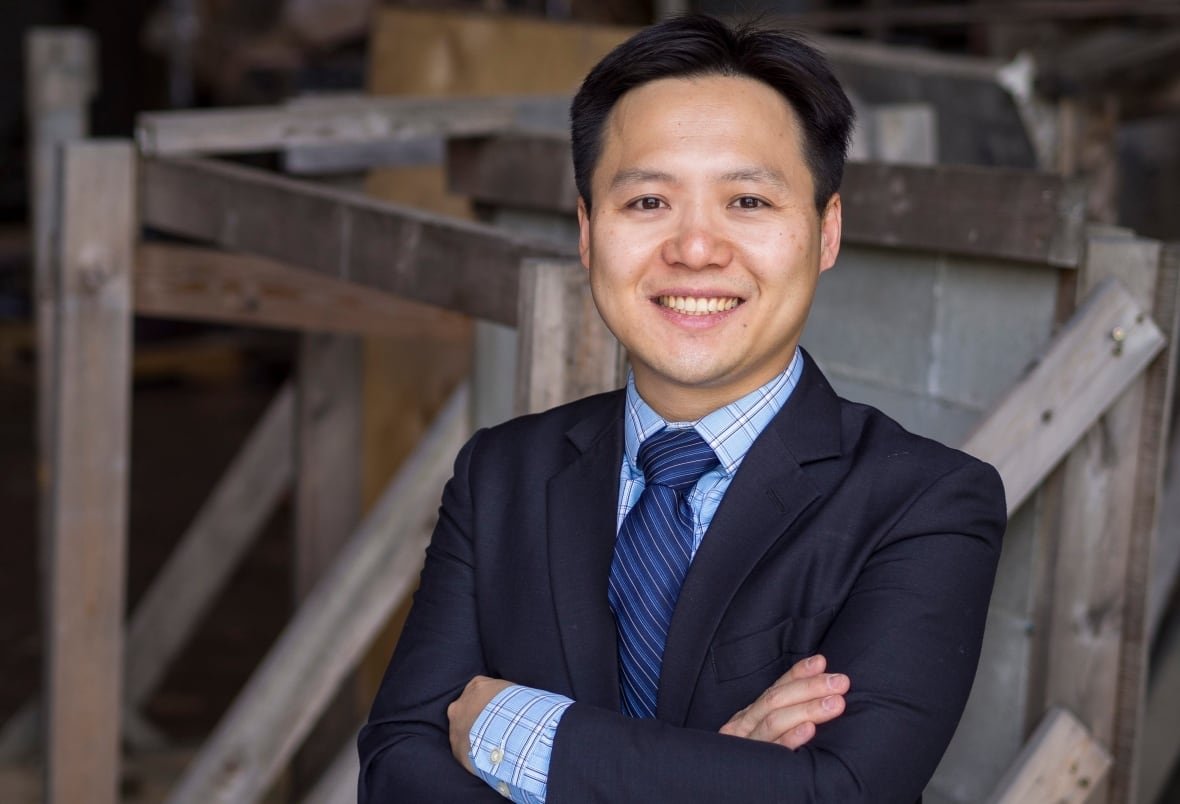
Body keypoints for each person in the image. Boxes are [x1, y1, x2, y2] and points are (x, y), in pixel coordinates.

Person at [358, 13, 1006, 804]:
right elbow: (396, 770)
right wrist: (716, 772)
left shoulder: (925, 503)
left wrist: (515, 729)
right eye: (648, 203)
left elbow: (838, 794)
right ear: (589, 232)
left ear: (826, 231)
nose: (696, 248)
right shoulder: (502, 474)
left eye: (747, 202)